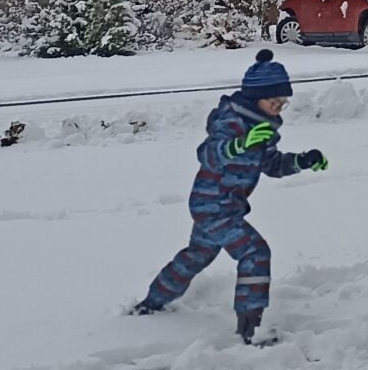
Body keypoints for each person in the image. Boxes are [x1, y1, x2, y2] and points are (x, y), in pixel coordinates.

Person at [134, 48, 326, 343]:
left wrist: (302, 161)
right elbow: (208, 154)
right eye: (274, 102)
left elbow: (271, 165)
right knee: (254, 253)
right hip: (212, 203)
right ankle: (251, 327)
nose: (278, 108)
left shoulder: (263, 128)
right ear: (256, 97)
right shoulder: (233, 121)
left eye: (283, 104)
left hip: (227, 206)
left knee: (197, 255)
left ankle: (151, 304)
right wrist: (240, 144)